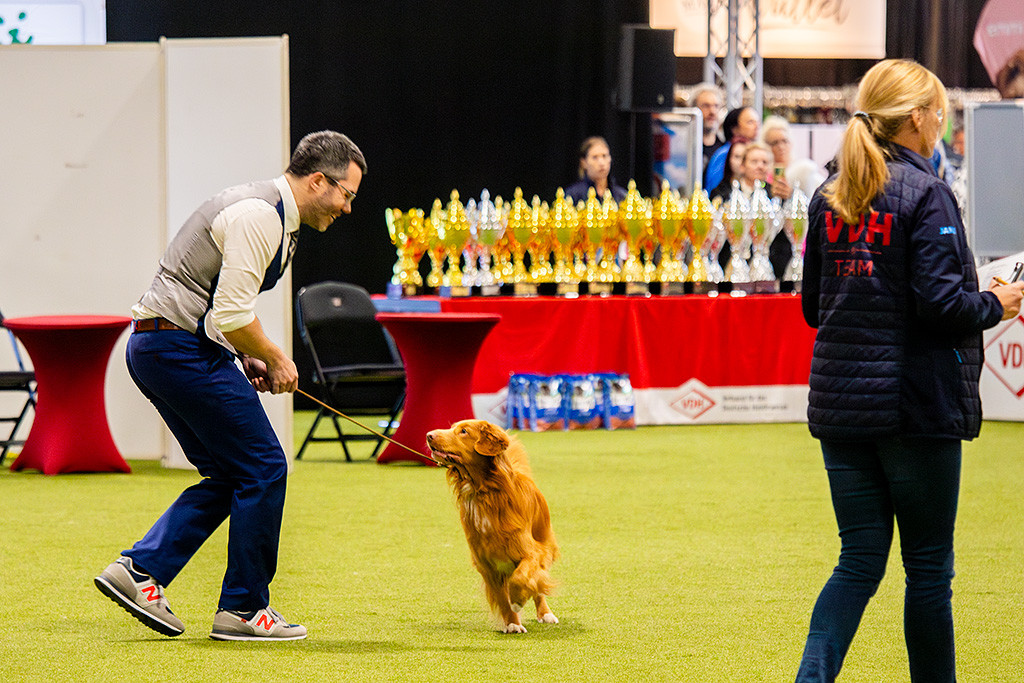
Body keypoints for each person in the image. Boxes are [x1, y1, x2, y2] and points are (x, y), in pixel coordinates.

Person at [796, 60, 1024, 682]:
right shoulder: (927, 193)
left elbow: (814, 306)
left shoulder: (830, 195)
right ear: (919, 118)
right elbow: (943, 305)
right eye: (938, 111)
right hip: (915, 406)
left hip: (843, 409)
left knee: (858, 560)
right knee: (928, 569)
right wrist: (996, 302)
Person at [94, 130, 366, 642]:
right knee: (264, 467)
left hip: (163, 346)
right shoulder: (261, 216)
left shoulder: (274, 216)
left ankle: (139, 571)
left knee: (230, 473)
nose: (348, 208)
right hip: (176, 349)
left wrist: (245, 352)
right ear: (317, 181)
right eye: (346, 194)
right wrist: (275, 357)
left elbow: (222, 306)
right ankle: (243, 609)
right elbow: (233, 311)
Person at [760, 115, 826, 200]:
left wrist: (793, 195)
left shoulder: (802, 171)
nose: (781, 147)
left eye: (784, 141)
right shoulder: (762, 174)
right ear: (766, 145)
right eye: (775, 143)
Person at [703, 106, 760, 191]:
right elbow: (714, 188)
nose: (756, 126)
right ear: (734, 128)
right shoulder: (725, 154)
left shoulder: (757, 152)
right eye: (750, 122)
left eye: (757, 122)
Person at [564, 136, 627, 204]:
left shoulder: (621, 195)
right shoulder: (573, 195)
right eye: (595, 157)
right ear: (584, 162)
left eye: (604, 156)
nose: (601, 163)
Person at [689, 82, 725, 172]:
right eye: (706, 106)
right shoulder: (684, 147)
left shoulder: (724, 150)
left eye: (716, 106)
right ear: (693, 109)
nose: (712, 111)